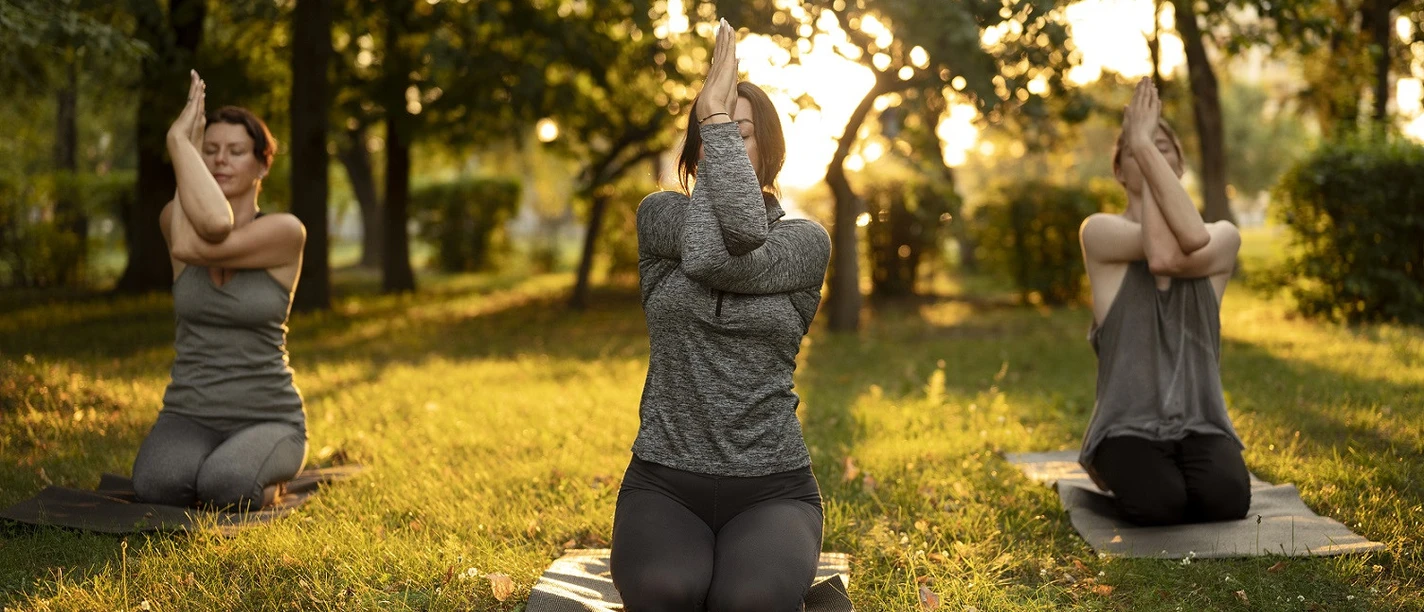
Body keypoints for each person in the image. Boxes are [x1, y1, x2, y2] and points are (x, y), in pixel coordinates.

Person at [609, 19, 832, 611]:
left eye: (741, 133)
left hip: (773, 487)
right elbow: (709, 243)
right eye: (713, 133)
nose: (725, 142)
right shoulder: (660, 218)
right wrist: (717, 125)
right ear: (695, 149)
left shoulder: (806, 243)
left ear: (770, 149)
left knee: (749, 603)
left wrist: (713, 118)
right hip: (662, 480)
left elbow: (716, 255)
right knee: (665, 591)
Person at [1076, 77, 1251, 526]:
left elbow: (1179, 248)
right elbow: (1159, 255)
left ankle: (1178, 470)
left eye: (1162, 146)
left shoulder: (1224, 237)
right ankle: (1120, 469)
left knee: (1226, 502)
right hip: (1127, 426)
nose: (1151, 152)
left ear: (1180, 164)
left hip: (1201, 422)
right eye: (1136, 148)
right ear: (1118, 169)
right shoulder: (1099, 234)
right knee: (1159, 506)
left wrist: (1142, 143)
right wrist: (1149, 153)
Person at [131, 70, 308, 511]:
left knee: (226, 486)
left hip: (269, 416)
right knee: (157, 486)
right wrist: (184, 151)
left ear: (263, 164)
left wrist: (179, 142)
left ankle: (256, 472)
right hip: (188, 414)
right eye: (207, 151)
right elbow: (199, 228)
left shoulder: (286, 231)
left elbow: (202, 238)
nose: (219, 161)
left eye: (235, 152)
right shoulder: (174, 216)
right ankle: (214, 464)